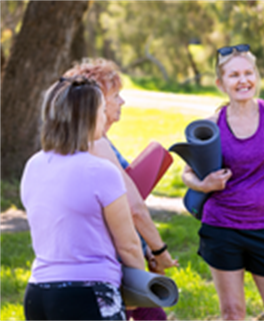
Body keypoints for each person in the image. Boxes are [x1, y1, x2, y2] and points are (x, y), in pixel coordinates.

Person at [182, 44, 264, 320]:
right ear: (220, 83)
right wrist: (204, 185)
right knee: (233, 313)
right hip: (222, 229)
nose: (243, 80)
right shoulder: (212, 125)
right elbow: (186, 172)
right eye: (234, 75)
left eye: (249, 73)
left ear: (257, 76)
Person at [21, 76, 144, 321]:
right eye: (101, 110)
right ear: (89, 117)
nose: (103, 117)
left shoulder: (34, 164)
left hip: (38, 295)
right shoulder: (101, 171)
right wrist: (139, 293)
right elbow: (128, 245)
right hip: (89, 294)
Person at [64, 59, 177, 321]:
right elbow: (133, 207)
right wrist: (159, 252)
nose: (122, 102)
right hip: (113, 262)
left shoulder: (77, 142)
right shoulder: (97, 144)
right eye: (115, 95)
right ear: (96, 101)